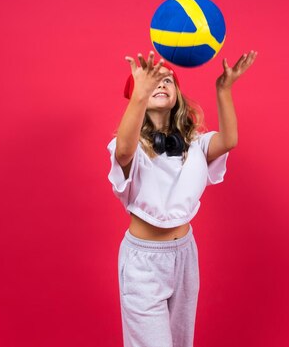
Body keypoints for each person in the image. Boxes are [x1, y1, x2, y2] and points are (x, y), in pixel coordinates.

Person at [107, 49, 256, 347]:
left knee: (180, 342)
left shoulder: (194, 145)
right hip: (144, 264)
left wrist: (224, 89)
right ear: (138, 96)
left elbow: (229, 140)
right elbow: (124, 149)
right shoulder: (127, 147)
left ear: (177, 94)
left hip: (185, 256)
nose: (161, 85)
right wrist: (140, 92)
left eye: (167, 82)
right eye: (153, 83)